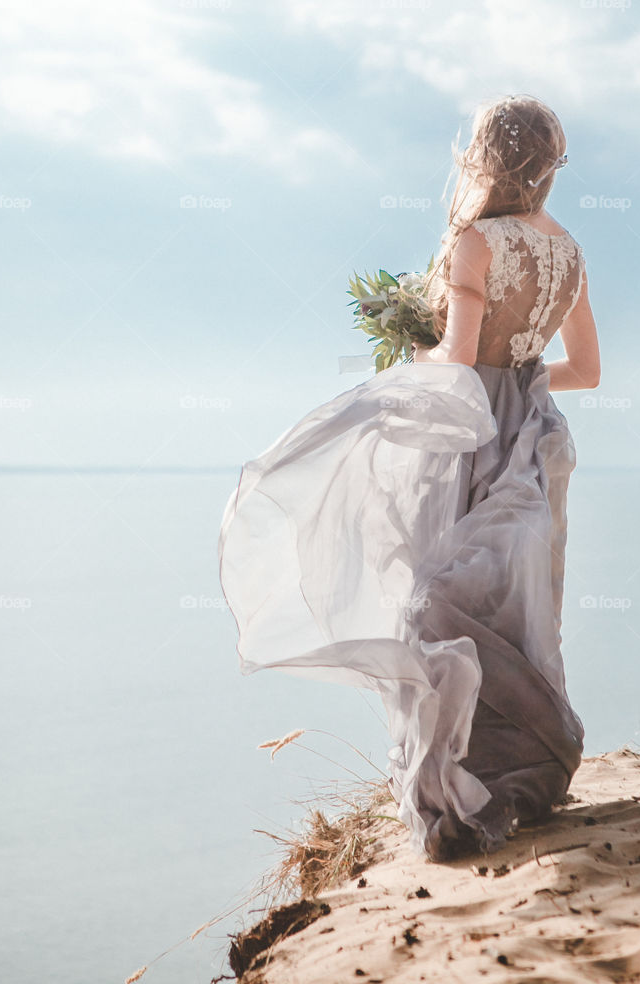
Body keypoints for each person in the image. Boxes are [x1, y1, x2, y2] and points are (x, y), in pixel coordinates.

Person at [218, 94, 600, 862]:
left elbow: (454, 362)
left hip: (463, 442)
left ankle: (448, 782)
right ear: (551, 163)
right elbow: (585, 372)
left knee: (433, 604)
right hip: (528, 440)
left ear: (482, 159)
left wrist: (410, 356)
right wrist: (519, 381)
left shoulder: (472, 243)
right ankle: (515, 771)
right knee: (511, 607)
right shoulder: (570, 252)